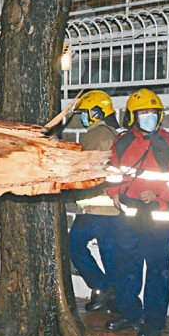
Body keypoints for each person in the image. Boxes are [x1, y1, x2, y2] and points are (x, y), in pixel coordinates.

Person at [104, 88, 169, 336]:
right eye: (143, 112)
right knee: (126, 266)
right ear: (132, 116)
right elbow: (111, 171)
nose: (149, 117)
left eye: (153, 113)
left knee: (157, 269)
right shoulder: (121, 142)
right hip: (129, 215)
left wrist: (159, 195)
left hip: (158, 217)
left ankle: (154, 321)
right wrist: (114, 192)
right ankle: (129, 312)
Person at [68, 90, 122, 312]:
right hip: (109, 210)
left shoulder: (96, 135)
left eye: (86, 112)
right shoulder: (111, 133)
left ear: (96, 112)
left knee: (74, 246)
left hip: (96, 208)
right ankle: (114, 296)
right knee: (110, 254)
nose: (83, 117)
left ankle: (102, 287)